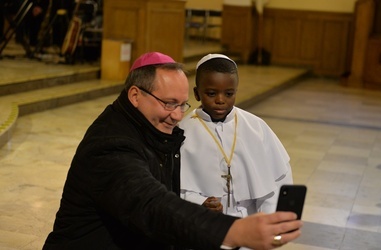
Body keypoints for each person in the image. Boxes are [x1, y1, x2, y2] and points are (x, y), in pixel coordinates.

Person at [43, 51, 303, 250]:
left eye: (182, 105)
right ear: (135, 96)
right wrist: (232, 231)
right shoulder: (111, 145)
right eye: (169, 104)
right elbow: (152, 205)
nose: (178, 116)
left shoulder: (151, 130)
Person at [179, 54, 293, 218]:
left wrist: (269, 219)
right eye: (211, 93)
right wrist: (198, 202)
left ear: (236, 92)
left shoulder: (256, 127)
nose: (220, 100)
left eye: (229, 93)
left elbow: (276, 181)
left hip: (248, 220)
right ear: (197, 94)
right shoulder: (183, 131)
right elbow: (172, 186)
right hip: (204, 222)